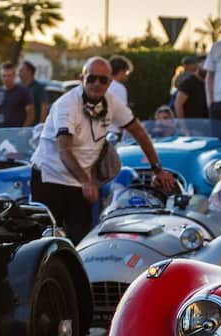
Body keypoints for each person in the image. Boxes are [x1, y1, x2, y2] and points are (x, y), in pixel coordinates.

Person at [30, 56, 177, 242]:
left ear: (110, 82)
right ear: (81, 78)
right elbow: (63, 148)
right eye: (91, 78)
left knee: (81, 241)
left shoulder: (111, 102)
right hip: (50, 177)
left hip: (79, 183)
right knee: (46, 239)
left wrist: (157, 169)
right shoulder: (67, 104)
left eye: (103, 79)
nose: (96, 84)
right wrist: (86, 181)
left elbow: (138, 132)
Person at [0, 62, 34, 128]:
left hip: (17, 131)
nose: (6, 78)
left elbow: (30, 114)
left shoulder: (23, 91)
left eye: (9, 75)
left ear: (14, 76)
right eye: (4, 75)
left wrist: (23, 130)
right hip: (2, 131)